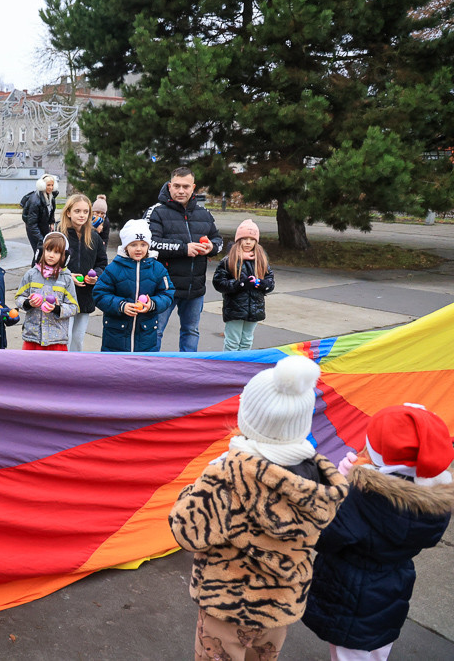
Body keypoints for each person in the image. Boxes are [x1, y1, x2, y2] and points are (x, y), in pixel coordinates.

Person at [169, 355, 348, 661]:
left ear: (247, 417)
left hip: (225, 609)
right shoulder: (318, 479)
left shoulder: (227, 476)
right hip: (279, 609)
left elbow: (187, 531)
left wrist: (200, 485)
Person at [302, 404, 454, 661]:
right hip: (390, 589)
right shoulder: (433, 497)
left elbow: (323, 536)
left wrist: (340, 486)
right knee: (376, 650)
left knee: (348, 654)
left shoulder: (362, 499)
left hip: (349, 595)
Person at [144, 166, 222, 351]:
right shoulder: (156, 211)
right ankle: (150, 370)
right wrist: (183, 248)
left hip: (195, 287)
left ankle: (188, 370)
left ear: (193, 187)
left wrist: (212, 247)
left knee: (191, 331)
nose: (181, 191)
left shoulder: (204, 214)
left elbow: (218, 240)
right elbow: (150, 244)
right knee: (155, 331)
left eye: (186, 186)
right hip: (164, 287)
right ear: (170, 186)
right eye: (177, 186)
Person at [92, 219, 174, 353]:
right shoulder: (113, 268)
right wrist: (121, 305)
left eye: (143, 244)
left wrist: (152, 304)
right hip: (116, 336)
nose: (138, 249)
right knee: (116, 371)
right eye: (133, 244)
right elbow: (99, 294)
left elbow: (167, 293)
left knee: (143, 370)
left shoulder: (158, 269)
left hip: (146, 335)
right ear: (125, 246)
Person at [212, 219, 275, 351]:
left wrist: (262, 284)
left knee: (247, 341)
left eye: (251, 239)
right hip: (235, 309)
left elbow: (270, 281)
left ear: (256, 241)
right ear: (238, 240)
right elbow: (219, 283)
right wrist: (240, 284)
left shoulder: (260, 259)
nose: (248, 242)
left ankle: (242, 368)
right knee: (232, 342)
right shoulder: (229, 260)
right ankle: (229, 369)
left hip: (255, 308)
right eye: (244, 238)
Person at [14, 232, 79, 351]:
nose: (51, 255)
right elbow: (19, 297)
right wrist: (28, 303)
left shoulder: (66, 278)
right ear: (41, 251)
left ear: (64, 256)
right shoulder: (31, 274)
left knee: (56, 369)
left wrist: (57, 309)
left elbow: (74, 307)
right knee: (30, 369)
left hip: (57, 339)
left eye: (56, 252)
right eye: (48, 250)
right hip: (33, 337)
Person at [59, 194, 108, 351]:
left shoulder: (94, 237)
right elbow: (43, 264)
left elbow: (102, 263)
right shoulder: (59, 235)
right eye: (77, 211)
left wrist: (96, 276)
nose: (82, 215)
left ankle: (74, 371)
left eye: (86, 211)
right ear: (68, 212)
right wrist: (67, 275)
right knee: (65, 338)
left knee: (78, 339)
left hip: (85, 296)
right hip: (63, 296)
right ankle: (61, 371)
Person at [22, 173, 58, 252]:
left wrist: (51, 222)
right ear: (42, 185)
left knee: (44, 252)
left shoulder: (50, 197)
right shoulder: (35, 201)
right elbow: (32, 224)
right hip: (34, 230)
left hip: (43, 226)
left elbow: (51, 211)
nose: (51, 187)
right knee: (39, 252)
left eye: (52, 185)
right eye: (48, 185)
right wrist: (40, 238)